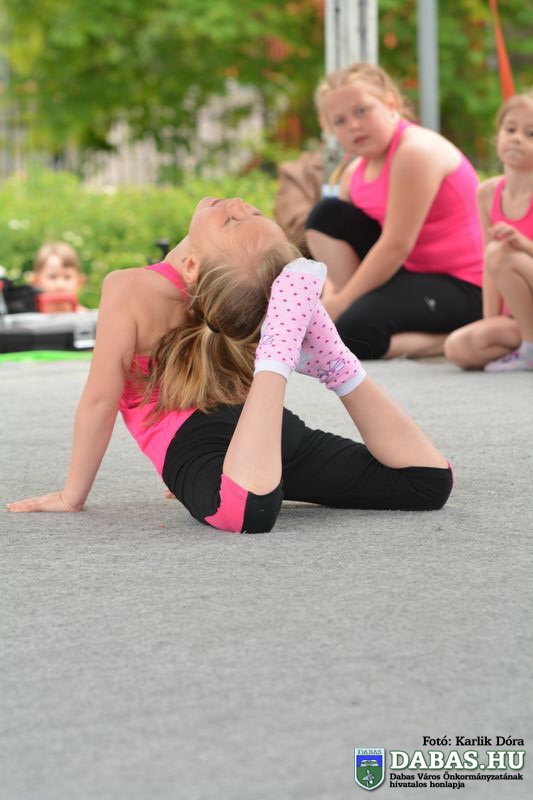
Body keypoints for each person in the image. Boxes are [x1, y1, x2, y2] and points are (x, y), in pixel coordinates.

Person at [7, 197, 452, 533]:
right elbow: (427, 481)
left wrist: (72, 495)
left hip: (208, 444)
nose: (237, 203)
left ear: (191, 266)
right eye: (250, 211)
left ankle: (292, 359)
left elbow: (100, 402)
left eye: (237, 219)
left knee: (245, 509)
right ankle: (327, 362)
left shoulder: (127, 287)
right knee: (423, 482)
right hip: (264, 432)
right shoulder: (225, 298)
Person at [304, 63, 484, 360]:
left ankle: (459, 336)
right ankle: (363, 313)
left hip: (467, 286)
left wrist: (342, 305)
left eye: (362, 111)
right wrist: (331, 300)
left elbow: (397, 245)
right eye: (340, 121)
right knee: (326, 215)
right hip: (412, 274)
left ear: (390, 104)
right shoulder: (354, 172)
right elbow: (342, 249)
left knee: (351, 333)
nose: (353, 125)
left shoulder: (416, 151)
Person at [444, 91, 533, 372]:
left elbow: (499, 257)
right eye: (510, 129)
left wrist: (523, 244)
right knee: (458, 348)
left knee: (502, 252)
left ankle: (529, 351)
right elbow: (489, 265)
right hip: (519, 318)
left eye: (530, 133)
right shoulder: (487, 192)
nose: (517, 138)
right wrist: (489, 320)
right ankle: (527, 343)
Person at [29, 241, 86, 312]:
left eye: (67, 277)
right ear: (35, 281)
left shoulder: (89, 317)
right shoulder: (26, 317)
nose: (60, 285)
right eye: (52, 277)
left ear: (80, 281)